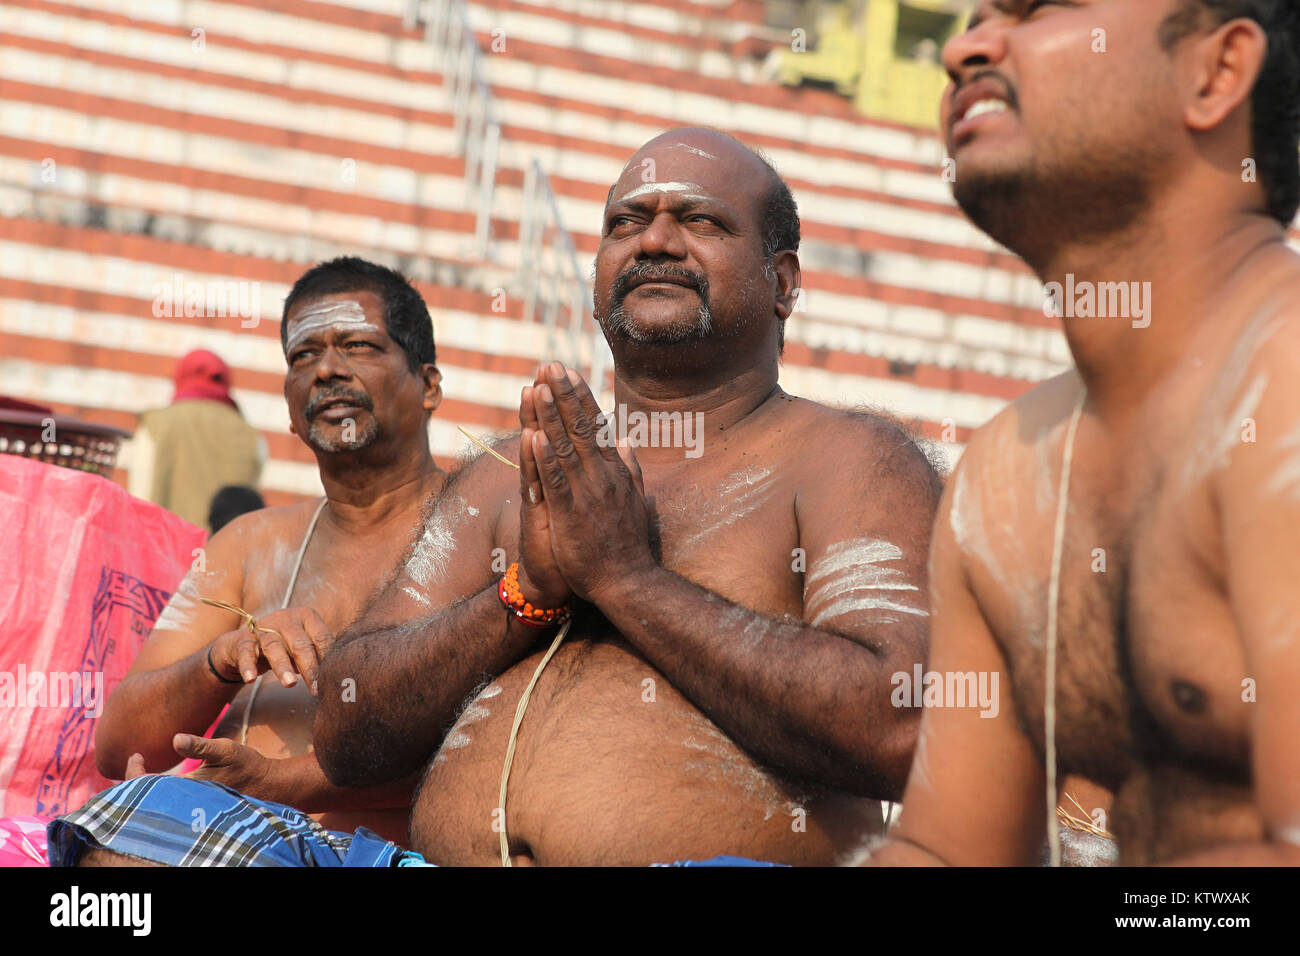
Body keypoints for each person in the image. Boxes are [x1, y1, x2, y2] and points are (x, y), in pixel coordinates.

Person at [49, 128, 943, 867]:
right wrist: (526, 597)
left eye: (699, 220)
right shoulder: (506, 473)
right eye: (626, 222)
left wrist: (629, 581)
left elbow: (900, 726)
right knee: (137, 833)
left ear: (784, 283)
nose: (656, 240)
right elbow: (351, 718)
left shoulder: (851, 457)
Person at [864, 0, 1300, 866]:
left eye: (1037, 8)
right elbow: (946, 852)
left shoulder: (1283, 389)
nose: (963, 48)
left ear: (1214, 75)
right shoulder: (1004, 475)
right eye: (973, 16)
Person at [86, 256, 446, 850]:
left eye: (356, 346)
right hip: (216, 843)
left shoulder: (485, 523)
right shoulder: (250, 543)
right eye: (303, 356)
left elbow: (500, 741)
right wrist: (222, 660)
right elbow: (121, 744)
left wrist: (290, 784)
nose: (327, 368)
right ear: (288, 410)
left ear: (429, 385)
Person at [129, 349, 264, 531]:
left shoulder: (156, 424)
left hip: (165, 551)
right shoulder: (251, 435)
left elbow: (140, 498)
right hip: (227, 554)